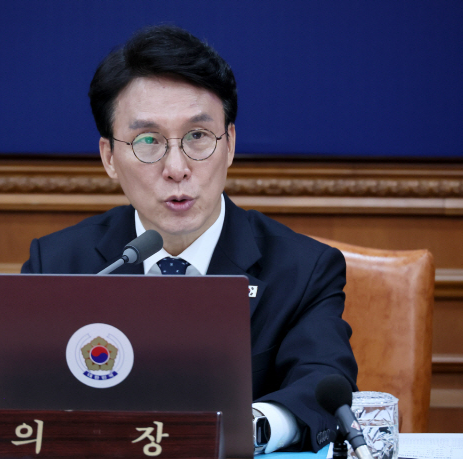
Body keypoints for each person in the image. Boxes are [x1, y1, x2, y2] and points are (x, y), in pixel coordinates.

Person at [21, 24, 357, 453]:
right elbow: (21, 398)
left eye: (197, 136)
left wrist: (246, 429)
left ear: (229, 144)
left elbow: (324, 382)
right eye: (148, 140)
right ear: (109, 157)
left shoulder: (303, 269)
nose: (177, 168)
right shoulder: (57, 265)